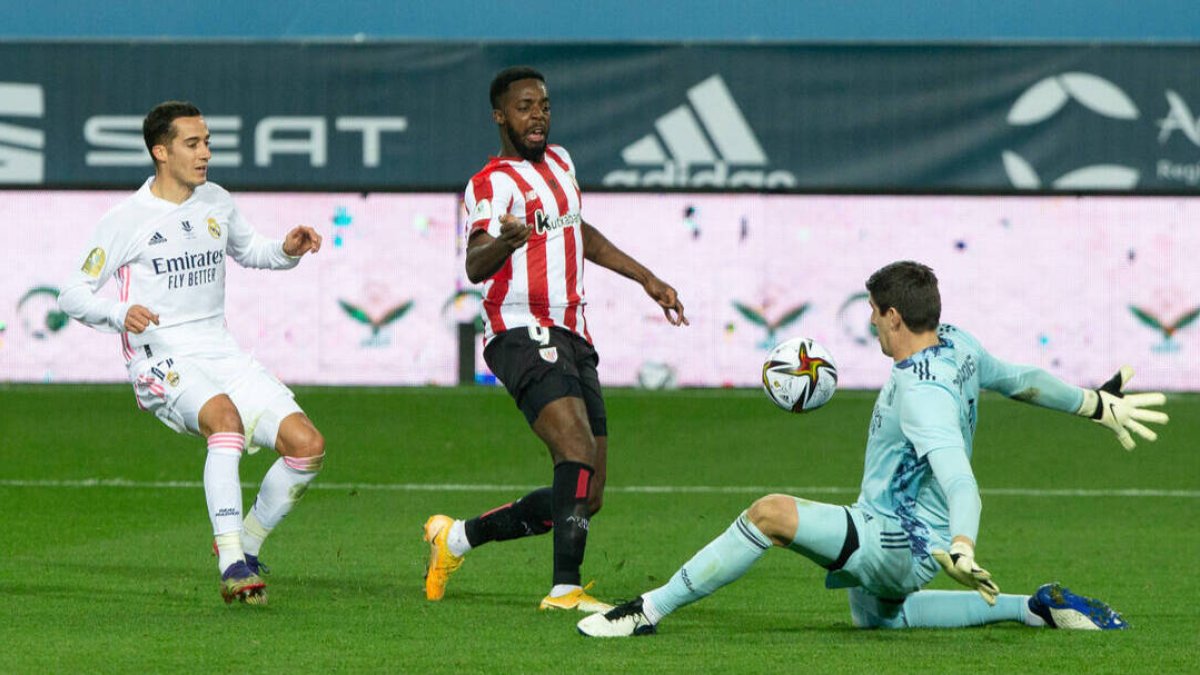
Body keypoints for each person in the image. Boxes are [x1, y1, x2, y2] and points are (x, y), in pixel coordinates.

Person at [578, 260, 1169, 636]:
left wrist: (962, 544)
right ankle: (1032, 607)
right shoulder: (957, 344)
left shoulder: (922, 394)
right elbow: (1018, 378)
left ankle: (647, 610)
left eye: (873, 315)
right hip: (909, 535)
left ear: (893, 316)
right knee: (881, 618)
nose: (870, 325)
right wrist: (1092, 403)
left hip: (900, 538)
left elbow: (962, 479)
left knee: (771, 513)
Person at [423, 66, 688, 612]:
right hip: (520, 326)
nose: (537, 114)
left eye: (543, 104)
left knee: (586, 495)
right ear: (500, 116)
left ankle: (455, 539)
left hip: (574, 330)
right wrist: (505, 242)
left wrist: (647, 278)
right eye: (524, 106)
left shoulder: (562, 162)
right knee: (574, 449)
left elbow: (577, 232)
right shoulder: (491, 184)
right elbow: (474, 263)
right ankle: (565, 589)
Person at [58, 101, 326, 606]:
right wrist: (119, 313)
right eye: (192, 143)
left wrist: (286, 249)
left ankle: (245, 542)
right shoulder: (126, 219)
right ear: (161, 151)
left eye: (207, 143)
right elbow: (71, 293)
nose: (205, 153)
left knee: (307, 445)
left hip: (220, 350)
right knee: (223, 421)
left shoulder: (217, 201)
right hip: (160, 358)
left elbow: (253, 253)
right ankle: (231, 564)